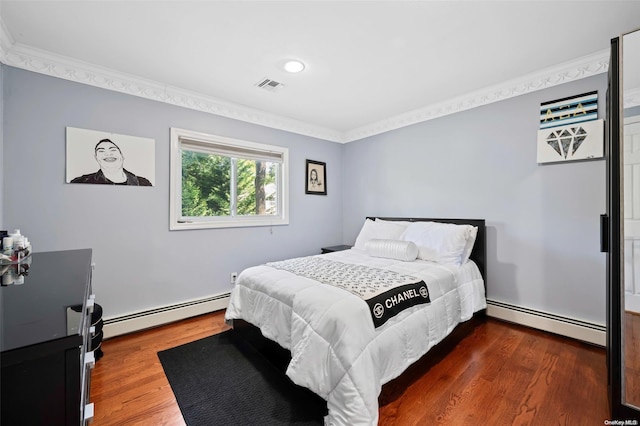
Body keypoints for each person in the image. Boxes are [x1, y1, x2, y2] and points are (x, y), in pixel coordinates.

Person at [71, 139, 152, 186]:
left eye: (113, 150)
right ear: (96, 158)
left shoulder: (143, 183)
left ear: (122, 156)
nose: (108, 154)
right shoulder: (81, 182)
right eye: (101, 151)